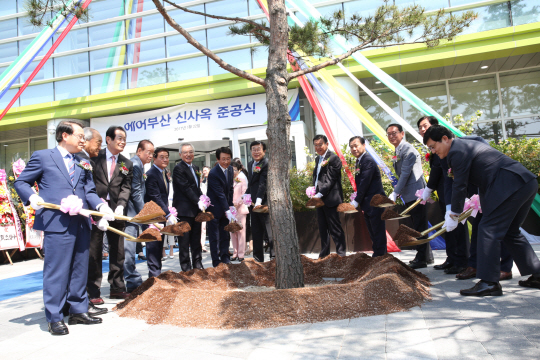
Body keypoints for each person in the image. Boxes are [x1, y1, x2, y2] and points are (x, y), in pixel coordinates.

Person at [15, 121, 112, 335]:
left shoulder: (83, 160)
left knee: (80, 268)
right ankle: (55, 317)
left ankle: (78, 309)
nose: (83, 140)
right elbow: (21, 182)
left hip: (81, 222)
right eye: (79, 136)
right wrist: (32, 197)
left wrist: (101, 206)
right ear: (64, 136)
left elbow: (89, 191)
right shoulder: (43, 156)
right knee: (56, 271)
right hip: (56, 223)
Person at [424, 125, 540, 296]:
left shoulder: (457, 151)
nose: (433, 151)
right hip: (524, 182)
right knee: (510, 232)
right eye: (430, 149)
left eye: (433, 146)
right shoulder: (465, 145)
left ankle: (489, 282)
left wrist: (454, 213)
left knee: (488, 230)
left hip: (509, 185)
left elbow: (459, 184)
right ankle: (537, 274)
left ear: (445, 139)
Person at [88, 126, 133, 304]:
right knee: (95, 251)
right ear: (108, 139)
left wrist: (121, 205)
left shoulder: (126, 163)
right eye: (119, 138)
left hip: (116, 212)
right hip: (96, 210)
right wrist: (97, 206)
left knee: (118, 251)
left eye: (124, 139)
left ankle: (117, 287)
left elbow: (126, 187)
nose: (122, 141)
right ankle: (93, 290)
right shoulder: (93, 157)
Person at [418, 117, 468, 274]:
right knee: (449, 227)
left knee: (458, 226)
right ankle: (452, 258)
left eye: (425, 126)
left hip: (455, 190)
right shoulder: (437, 148)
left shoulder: (452, 148)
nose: (422, 129)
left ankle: (463, 260)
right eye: (420, 127)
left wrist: (430, 188)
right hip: (444, 190)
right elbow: (438, 172)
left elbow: (448, 174)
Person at [386, 124, 433, 269]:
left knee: (419, 226)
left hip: (416, 193)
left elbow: (405, 174)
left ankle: (421, 258)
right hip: (409, 194)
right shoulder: (398, 150)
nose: (392, 136)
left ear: (402, 133)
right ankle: (426, 256)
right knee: (418, 224)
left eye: (394, 133)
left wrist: (395, 192)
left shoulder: (408, 150)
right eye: (389, 134)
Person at [348, 136, 387, 257]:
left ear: (364, 145)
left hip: (374, 202)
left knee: (378, 231)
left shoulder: (368, 160)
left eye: (356, 145)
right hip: (368, 203)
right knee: (373, 231)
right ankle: (378, 255)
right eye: (351, 147)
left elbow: (365, 182)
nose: (354, 148)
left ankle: (380, 257)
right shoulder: (359, 161)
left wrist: (356, 200)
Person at [124, 140, 154, 293]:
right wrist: (145, 214)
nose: (150, 155)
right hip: (130, 213)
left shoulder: (139, 165)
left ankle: (131, 279)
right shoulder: (135, 165)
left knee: (131, 246)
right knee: (128, 248)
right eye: (148, 152)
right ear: (139, 151)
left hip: (134, 212)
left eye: (152, 153)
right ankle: (132, 281)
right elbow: (135, 192)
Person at [311, 135, 346, 258]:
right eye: (316, 145)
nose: (318, 147)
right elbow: (318, 178)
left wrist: (319, 194)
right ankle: (324, 255)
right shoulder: (317, 159)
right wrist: (313, 191)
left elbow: (331, 179)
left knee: (335, 228)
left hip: (330, 199)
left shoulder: (334, 158)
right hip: (318, 200)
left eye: (320, 144)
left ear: (327, 144)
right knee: (322, 228)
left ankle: (341, 255)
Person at [145, 148, 177, 277]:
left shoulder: (163, 173)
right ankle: (154, 276)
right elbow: (155, 196)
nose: (165, 159)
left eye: (167, 157)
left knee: (159, 245)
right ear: (154, 158)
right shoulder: (152, 174)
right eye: (162, 157)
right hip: (153, 215)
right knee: (153, 246)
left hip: (161, 215)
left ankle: (157, 274)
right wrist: (168, 213)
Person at [172, 143, 204, 271]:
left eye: (190, 152)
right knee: (184, 242)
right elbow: (186, 188)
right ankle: (186, 268)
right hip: (184, 211)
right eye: (185, 152)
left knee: (196, 240)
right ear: (180, 154)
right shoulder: (178, 169)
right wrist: (198, 201)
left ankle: (198, 264)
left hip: (196, 211)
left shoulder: (195, 167)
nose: (188, 154)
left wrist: (203, 199)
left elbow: (196, 188)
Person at [206, 147, 236, 267]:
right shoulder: (213, 173)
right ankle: (216, 261)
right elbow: (219, 194)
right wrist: (227, 210)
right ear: (218, 159)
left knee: (225, 234)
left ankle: (225, 257)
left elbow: (230, 189)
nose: (226, 161)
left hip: (226, 207)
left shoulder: (230, 170)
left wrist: (231, 206)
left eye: (228, 159)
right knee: (214, 236)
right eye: (223, 159)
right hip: (215, 209)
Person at [246, 141, 274, 261]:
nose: (256, 152)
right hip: (253, 204)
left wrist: (258, 201)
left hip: (264, 203)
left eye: (258, 149)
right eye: (253, 149)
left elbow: (263, 183)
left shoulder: (266, 163)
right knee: (256, 231)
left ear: (264, 151)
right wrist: (246, 196)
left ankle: (274, 257)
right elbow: (252, 183)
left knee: (269, 231)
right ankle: (258, 259)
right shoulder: (250, 164)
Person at [231, 160, 249, 261]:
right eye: (231, 169)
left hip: (240, 208)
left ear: (239, 170)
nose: (233, 172)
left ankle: (241, 254)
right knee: (233, 231)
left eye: (235, 170)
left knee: (241, 231)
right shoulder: (229, 179)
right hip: (231, 209)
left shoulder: (242, 179)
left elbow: (245, 193)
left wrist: (237, 203)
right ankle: (235, 253)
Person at [200, 166, 210, 252]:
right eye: (203, 171)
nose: (204, 172)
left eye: (206, 170)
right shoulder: (202, 182)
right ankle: (202, 245)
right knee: (202, 227)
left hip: (211, 206)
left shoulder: (212, 180)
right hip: (203, 207)